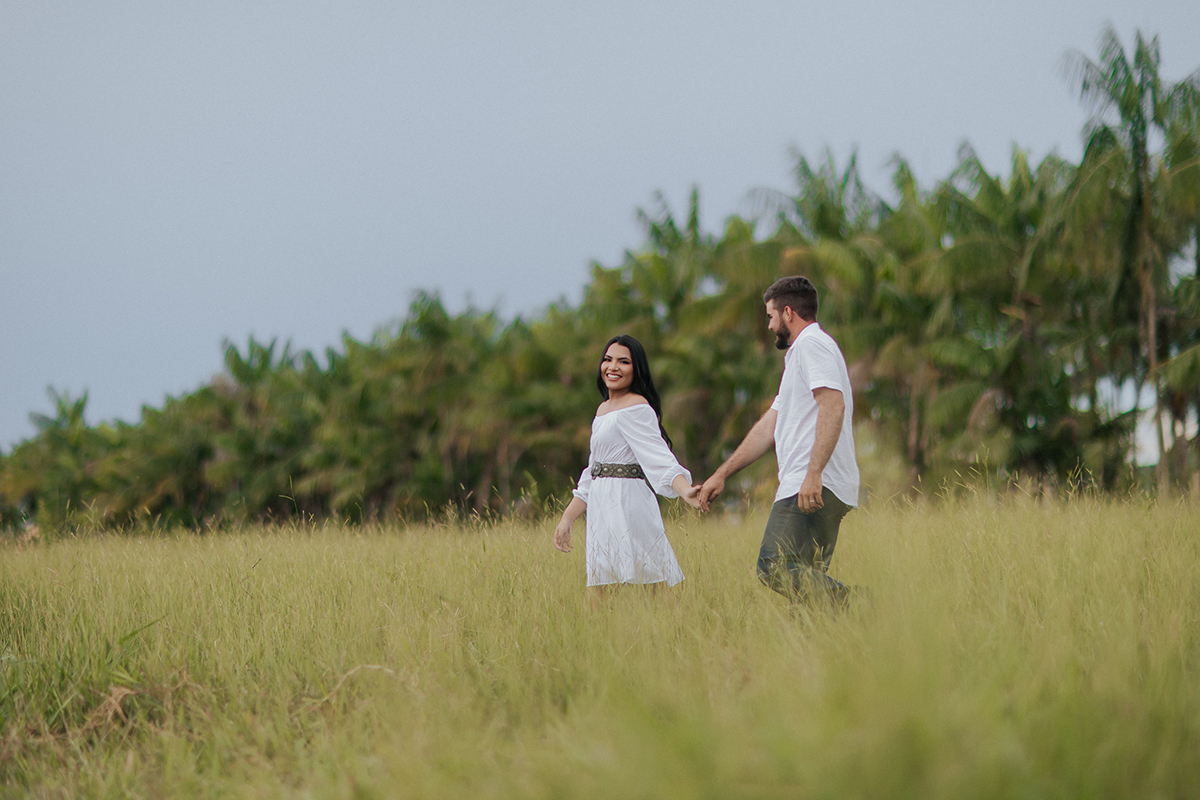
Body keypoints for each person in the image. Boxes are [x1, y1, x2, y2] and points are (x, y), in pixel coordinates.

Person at [698, 276, 860, 606]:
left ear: (788, 313)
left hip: (812, 484)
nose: (769, 325)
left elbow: (833, 403)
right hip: (821, 484)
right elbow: (768, 428)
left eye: (770, 316)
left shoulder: (811, 345)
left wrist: (813, 473)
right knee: (809, 601)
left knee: (773, 566)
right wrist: (722, 474)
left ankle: (866, 606)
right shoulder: (801, 357)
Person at [553, 335, 701, 596]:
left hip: (629, 501)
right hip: (601, 505)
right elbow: (592, 472)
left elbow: (660, 458)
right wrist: (567, 518)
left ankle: (670, 632)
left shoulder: (637, 406)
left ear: (636, 369)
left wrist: (686, 490)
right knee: (600, 586)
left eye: (623, 362)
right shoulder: (602, 410)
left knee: (651, 581)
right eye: (608, 360)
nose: (613, 367)